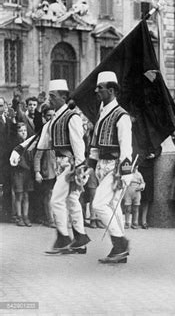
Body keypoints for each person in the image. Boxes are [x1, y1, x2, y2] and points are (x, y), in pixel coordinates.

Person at [36, 79, 90, 255]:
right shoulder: (54, 119)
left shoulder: (72, 117)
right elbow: (42, 142)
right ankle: (80, 241)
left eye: (53, 96)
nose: (49, 100)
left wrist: (80, 168)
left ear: (64, 97)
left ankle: (64, 240)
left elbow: (78, 145)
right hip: (60, 165)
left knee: (56, 200)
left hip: (70, 166)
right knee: (72, 201)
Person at [89, 71, 134, 264]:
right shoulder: (102, 112)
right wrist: (90, 165)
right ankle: (119, 252)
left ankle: (120, 243)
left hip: (116, 168)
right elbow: (95, 143)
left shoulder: (121, 116)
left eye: (101, 87)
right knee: (114, 208)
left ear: (112, 90)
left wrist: (124, 174)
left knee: (99, 204)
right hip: (102, 166)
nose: (97, 90)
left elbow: (126, 148)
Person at [33, 104, 56, 228]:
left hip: (59, 170)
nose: (51, 118)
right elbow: (37, 156)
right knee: (49, 194)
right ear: (44, 117)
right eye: (48, 116)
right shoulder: (43, 134)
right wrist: (37, 172)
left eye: (53, 115)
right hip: (48, 171)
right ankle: (50, 219)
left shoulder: (59, 132)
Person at [9, 123, 34, 227]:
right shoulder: (15, 145)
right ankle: (19, 217)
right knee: (19, 195)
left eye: (25, 130)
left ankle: (25, 216)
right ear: (17, 132)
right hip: (18, 172)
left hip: (27, 173)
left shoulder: (29, 143)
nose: (23, 132)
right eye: (21, 131)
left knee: (26, 195)